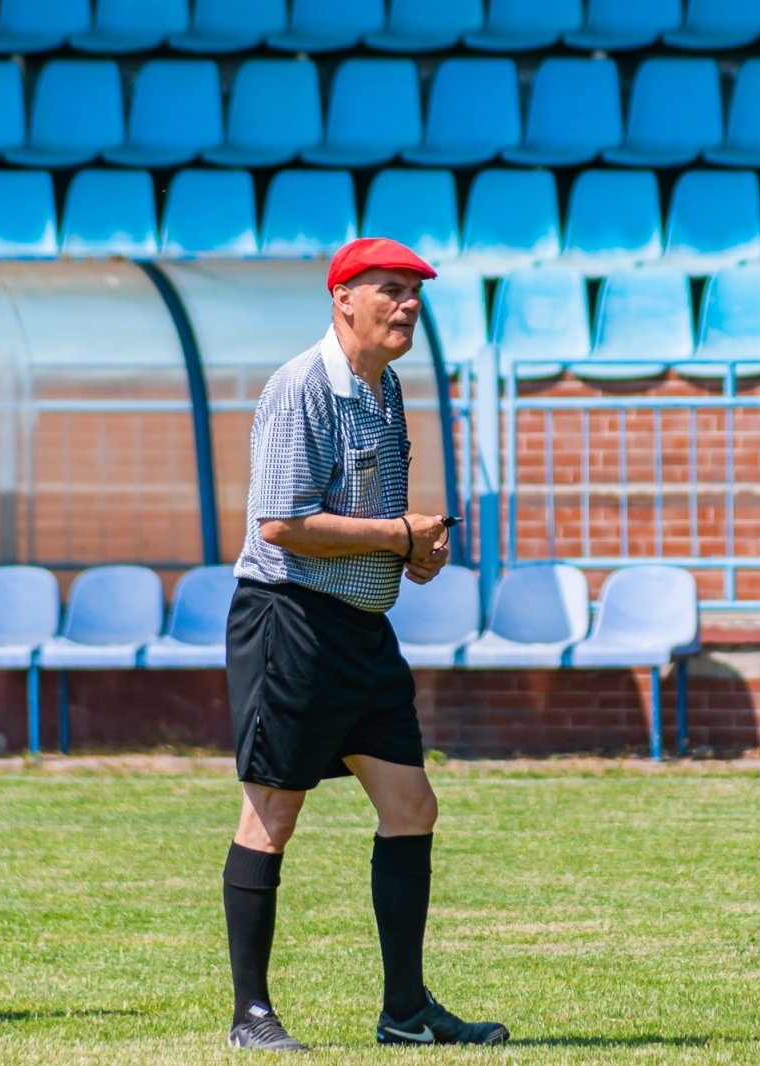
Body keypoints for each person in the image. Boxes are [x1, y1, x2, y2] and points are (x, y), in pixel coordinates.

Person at [221, 238, 509, 1051]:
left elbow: (371, 528)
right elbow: (280, 522)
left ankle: (406, 1011)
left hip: (359, 630)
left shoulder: (384, 392)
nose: (408, 304)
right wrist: (396, 533)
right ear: (341, 297)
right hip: (289, 624)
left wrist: (416, 550)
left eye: (415, 292)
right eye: (390, 289)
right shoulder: (300, 387)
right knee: (272, 813)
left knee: (413, 807)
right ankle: (251, 1016)